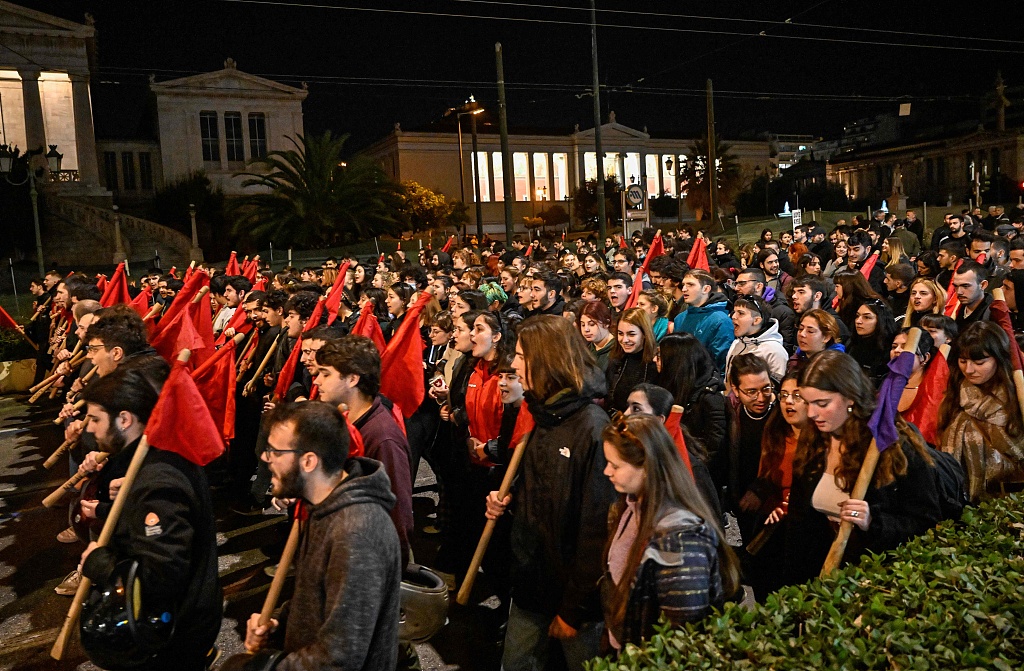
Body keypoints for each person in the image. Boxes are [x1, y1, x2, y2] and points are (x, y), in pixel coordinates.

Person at [484, 316, 616, 671]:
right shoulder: (541, 415)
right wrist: (508, 501)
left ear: (547, 359)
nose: (512, 364)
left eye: (522, 356)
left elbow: (596, 529)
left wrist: (574, 608)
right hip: (531, 581)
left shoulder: (591, 428)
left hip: (574, 597)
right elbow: (539, 491)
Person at [76, 367, 221, 670]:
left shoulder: (157, 481)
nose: (89, 429)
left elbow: (162, 574)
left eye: (95, 419)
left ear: (125, 419)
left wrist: (100, 563)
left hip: (173, 635)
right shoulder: (151, 462)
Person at [240, 402, 401, 671]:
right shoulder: (323, 505)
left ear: (309, 461)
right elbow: (317, 597)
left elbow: (341, 656)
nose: (266, 459)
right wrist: (279, 624)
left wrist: (267, 666)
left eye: (275, 452)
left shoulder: (355, 534)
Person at [783, 350, 942, 586]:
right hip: (822, 580)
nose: (812, 413)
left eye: (822, 403)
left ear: (850, 397)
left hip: (879, 580)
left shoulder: (891, 445)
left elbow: (926, 521)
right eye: (807, 403)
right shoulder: (815, 438)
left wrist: (872, 521)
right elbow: (800, 519)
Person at [599, 414, 739, 650]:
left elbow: (682, 638)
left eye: (615, 465)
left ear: (647, 467)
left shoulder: (681, 541)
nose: (606, 472)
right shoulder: (633, 506)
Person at [314, 337, 414, 567]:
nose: (317, 380)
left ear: (352, 379)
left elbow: (398, 514)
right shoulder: (347, 419)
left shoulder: (382, 438)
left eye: (325, 374)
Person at [939, 322, 1024, 502]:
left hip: (1008, 503)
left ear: (998, 358)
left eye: (979, 362)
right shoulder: (955, 392)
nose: (969, 370)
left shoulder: (1018, 396)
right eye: (963, 361)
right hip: (959, 498)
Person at [741, 372, 807, 600]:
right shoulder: (775, 432)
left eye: (797, 396)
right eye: (784, 395)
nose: (788, 401)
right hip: (772, 524)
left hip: (803, 527)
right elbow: (766, 475)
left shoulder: (824, 440)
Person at [656, 334, 727, 470]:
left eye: (660, 356)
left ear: (676, 362)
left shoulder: (709, 398)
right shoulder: (672, 385)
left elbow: (714, 449)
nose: (655, 360)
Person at [726, 354, 777, 542]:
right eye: (751, 391)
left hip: (775, 501)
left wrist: (760, 489)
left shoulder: (782, 414)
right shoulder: (731, 413)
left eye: (766, 388)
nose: (761, 398)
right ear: (736, 390)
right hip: (742, 497)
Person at [672, 269, 735, 369]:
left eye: (690, 285)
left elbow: (722, 362)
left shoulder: (721, 320)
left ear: (706, 289)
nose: (684, 289)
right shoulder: (680, 318)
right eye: (684, 285)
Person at [606, 308, 659, 412]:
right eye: (620, 333)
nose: (624, 340)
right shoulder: (616, 359)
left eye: (631, 334)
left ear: (644, 334)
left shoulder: (656, 363)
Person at [726, 295, 788, 385]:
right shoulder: (737, 343)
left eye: (741, 313)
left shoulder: (774, 351)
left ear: (756, 320)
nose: (733, 316)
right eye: (734, 312)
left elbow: (777, 388)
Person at [847, 300, 897, 388]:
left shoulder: (890, 348)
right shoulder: (852, 343)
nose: (858, 321)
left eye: (867, 317)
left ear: (880, 321)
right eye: (857, 316)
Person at [951, 260, 993, 328]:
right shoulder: (956, 309)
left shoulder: (994, 313)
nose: (959, 292)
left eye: (965, 286)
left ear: (983, 285)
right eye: (956, 286)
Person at [579, 300, 616, 372]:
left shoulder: (617, 350)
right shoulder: (586, 349)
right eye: (583, 325)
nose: (586, 329)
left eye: (592, 324)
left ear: (606, 323)